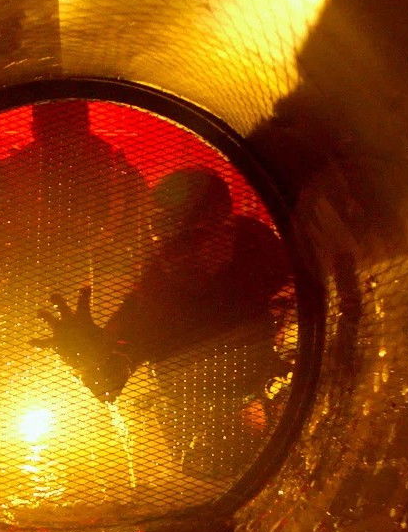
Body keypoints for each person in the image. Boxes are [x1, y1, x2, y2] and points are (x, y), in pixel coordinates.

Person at [33, 168, 293, 476]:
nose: (176, 256)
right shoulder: (155, 297)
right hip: (197, 430)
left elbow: (308, 296)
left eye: (191, 239)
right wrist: (86, 357)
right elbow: (109, 378)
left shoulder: (258, 249)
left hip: (270, 409)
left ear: (227, 230)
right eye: (163, 241)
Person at [3, 100, 148, 299]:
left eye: (67, 129)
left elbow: (136, 239)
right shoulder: (17, 170)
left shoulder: (119, 173)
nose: (61, 143)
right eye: (53, 131)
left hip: (102, 277)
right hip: (32, 276)